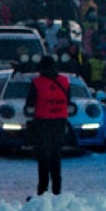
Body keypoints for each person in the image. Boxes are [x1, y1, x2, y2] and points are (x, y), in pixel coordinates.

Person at [23, 54, 72, 196]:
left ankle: (42, 191)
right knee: (56, 156)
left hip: (43, 123)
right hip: (60, 122)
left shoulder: (37, 83)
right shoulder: (64, 81)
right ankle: (57, 190)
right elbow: (68, 99)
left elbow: (30, 103)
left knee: (43, 157)